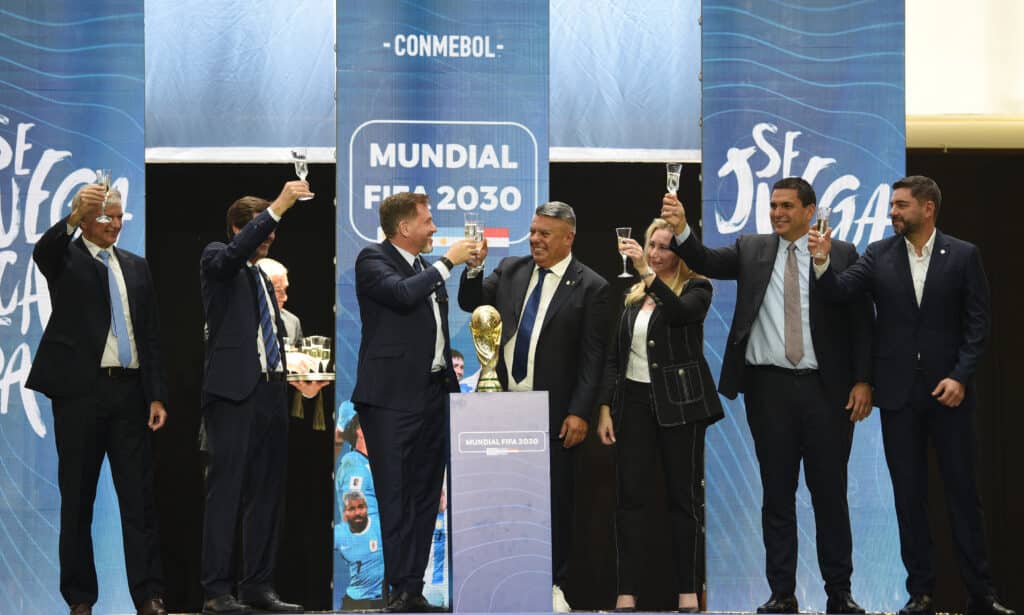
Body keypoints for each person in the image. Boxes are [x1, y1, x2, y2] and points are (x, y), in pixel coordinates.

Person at [661, 177, 873, 614]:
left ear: (810, 211)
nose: (777, 213)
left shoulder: (844, 253)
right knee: (777, 495)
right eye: (773, 205)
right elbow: (703, 259)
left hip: (826, 391)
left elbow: (862, 323)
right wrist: (681, 229)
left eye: (787, 206)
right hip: (769, 389)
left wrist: (863, 381)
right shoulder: (751, 248)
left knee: (829, 495)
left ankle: (840, 593)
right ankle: (782, 594)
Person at [808, 176, 1014, 615]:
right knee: (908, 497)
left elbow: (979, 324)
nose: (893, 213)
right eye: (892, 206)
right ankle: (920, 593)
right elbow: (841, 292)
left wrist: (960, 376)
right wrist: (823, 263)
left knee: (962, 494)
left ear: (928, 208)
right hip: (899, 397)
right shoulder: (879, 254)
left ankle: (981, 593)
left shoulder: (963, 255)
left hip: (951, 395)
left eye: (901, 205)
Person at [457, 200, 610, 612]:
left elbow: (593, 358)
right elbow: (472, 305)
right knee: (503, 497)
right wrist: (473, 269)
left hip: (554, 412)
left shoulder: (591, 286)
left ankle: (553, 584)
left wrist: (580, 411)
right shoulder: (511, 270)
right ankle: (498, 577)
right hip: (504, 406)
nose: (535, 239)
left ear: (568, 238)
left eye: (545, 233)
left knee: (554, 501)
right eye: (533, 231)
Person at [27, 185, 169, 615]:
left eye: (120, 216)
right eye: (105, 217)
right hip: (80, 395)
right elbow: (43, 252)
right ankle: (80, 598)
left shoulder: (137, 266)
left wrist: (157, 396)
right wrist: (71, 217)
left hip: (129, 394)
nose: (115, 224)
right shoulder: (65, 257)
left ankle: (148, 595)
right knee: (77, 499)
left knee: (139, 500)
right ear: (86, 220)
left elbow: (150, 335)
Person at [352, 191, 477, 613]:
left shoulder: (425, 266)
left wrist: (465, 268)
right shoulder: (372, 261)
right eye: (427, 220)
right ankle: (396, 587)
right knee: (395, 494)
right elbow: (403, 295)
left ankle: (412, 589)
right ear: (404, 228)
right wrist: (449, 261)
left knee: (425, 495)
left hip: (433, 396)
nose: (434, 228)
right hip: (389, 400)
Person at [596, 218, 724, 612]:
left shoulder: (698, 287)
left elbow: (682, 314)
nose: (654, 252)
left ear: (681, 252)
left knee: (683, 498)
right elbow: (615, 357)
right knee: (630, 498)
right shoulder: (634, 295)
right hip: (632, 403)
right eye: (651, 244)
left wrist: (648, 275)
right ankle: (627, 592)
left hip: (680, 405)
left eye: (664, 246)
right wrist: (605, 407)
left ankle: (688, 590)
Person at [198, 180, 312, 614]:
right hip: (233, 395)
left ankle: (257, 586)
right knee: (226, 492)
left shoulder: (263, 278)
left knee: (268, 493)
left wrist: (298, 373)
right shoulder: (216, 258)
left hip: (270, 394)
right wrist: (278, 207)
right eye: (260, 228)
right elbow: (230, 257)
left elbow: (270, 339)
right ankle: (216, 590)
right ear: (235, 227)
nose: (269, 235)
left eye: (272, 228)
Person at [335, 491, 385, 610]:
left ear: (367, 508)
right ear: (345, 513)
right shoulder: (339, 533)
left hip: (383, 599)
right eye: (351, 509)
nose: (357, 513)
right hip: (355, 599)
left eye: (361, 507)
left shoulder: (380, 525)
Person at [256, 257, 303, 345]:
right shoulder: (247, 323)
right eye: (278, 290)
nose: (285, 298)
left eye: (285, 289)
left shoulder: (293, 322)